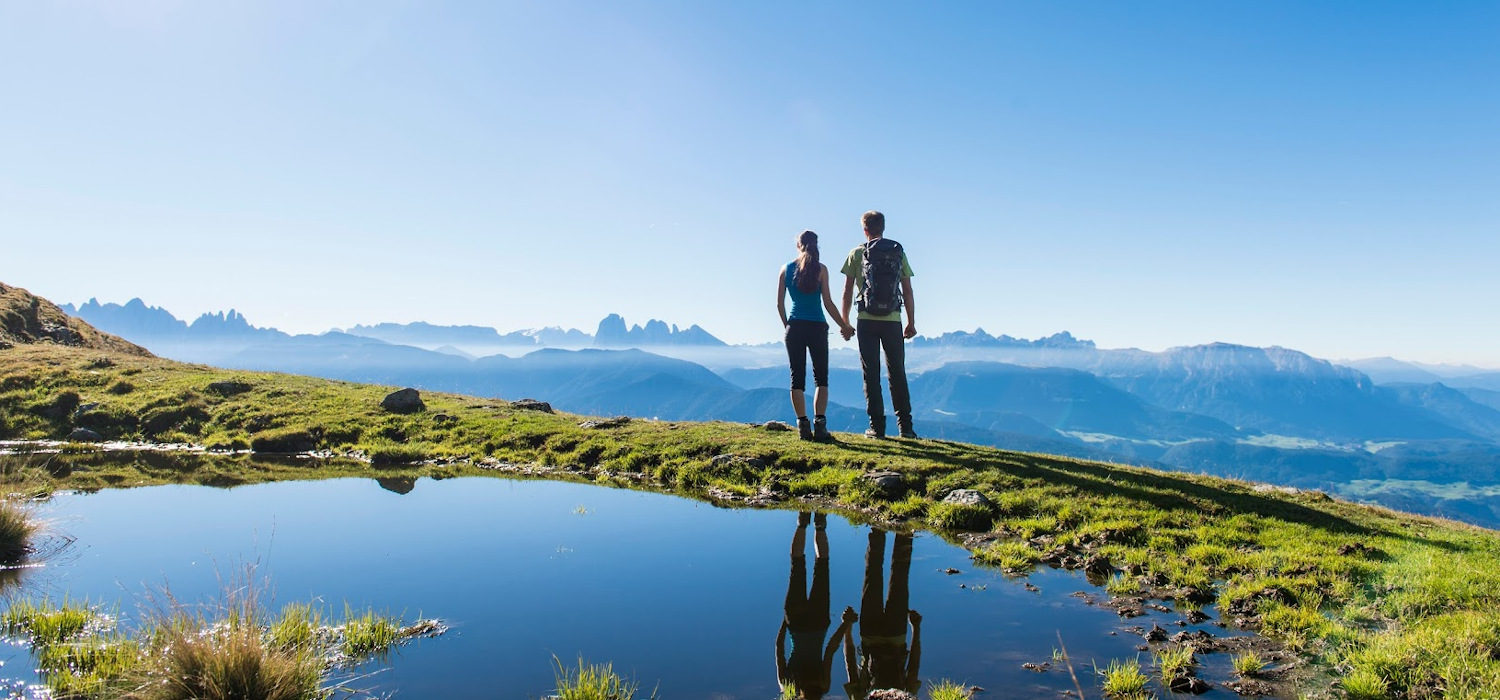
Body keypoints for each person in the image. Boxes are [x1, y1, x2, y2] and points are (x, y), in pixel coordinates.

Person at [839, 211, 917, 439]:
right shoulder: (897, 253)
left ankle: (877, 428)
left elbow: (846, 290)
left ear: (865, 230)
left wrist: (845, 321)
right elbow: (908, 290)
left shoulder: (857, 253)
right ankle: (906, 428)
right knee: (897, 372)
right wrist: (911, 322)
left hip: (866, 320)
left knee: (870, 373)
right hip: (893, 320)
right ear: (883, 227)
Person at [779, 230, 854, 441]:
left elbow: (779, 303)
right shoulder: (821, 270)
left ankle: (802, 426)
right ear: (816, 245)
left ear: (798, 245)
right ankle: (820, 426)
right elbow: (828, 303)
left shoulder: (785, 269)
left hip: (794, 327)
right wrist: (844, 326)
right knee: (821, 377)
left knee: (797, 378)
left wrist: (788, 326)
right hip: (817, 328)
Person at [776, 511, 859, 699]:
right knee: (797, 566)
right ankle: (802, 523)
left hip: (818, 623)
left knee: (822, 567)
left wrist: (845, 625)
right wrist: (785, 623)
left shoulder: (823, 686)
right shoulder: (787, 688)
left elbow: (830, 650)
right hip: (795, 623)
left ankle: (820, 525)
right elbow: (779, 647)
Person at [842, 529, 922, 698]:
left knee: (899, 578)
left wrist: (916, 629)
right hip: (872, 636)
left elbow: (913, 667)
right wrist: (847, 627)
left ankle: (902, 532)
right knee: (873, 575)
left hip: (895, 636)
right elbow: (850, 662)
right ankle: (880, 529)